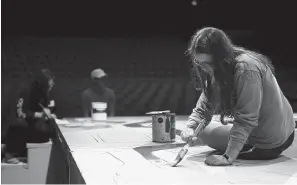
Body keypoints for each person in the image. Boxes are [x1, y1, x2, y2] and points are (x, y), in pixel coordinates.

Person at [181, 27, 295, 166]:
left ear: (220, 58)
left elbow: (246, 119)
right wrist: (190, 128)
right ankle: (243, 144)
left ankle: (248, 147)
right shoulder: (219, 68)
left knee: (209, 131)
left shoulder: (247, 68)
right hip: (275, 131)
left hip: (271, 142)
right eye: (200, 63)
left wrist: (228, 157)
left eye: (208, 63)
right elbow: (203, 109)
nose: (204, 67)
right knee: (201, 131)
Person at [3, 69, 58, 164]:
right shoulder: (25, 91)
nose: (50, 88)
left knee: (48, 132)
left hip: (33, 125)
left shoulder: (44, 93)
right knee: (19, 125)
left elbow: (47, 108)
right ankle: (9, 152)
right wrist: (40, 115)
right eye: (48, 86)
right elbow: (19, 113)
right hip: (21, 124)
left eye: (51, 86)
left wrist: (48, 114)